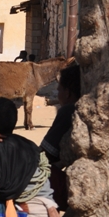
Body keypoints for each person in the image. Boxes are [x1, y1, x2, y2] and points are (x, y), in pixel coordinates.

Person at [40, 62, 80, 208]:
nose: (58, 94)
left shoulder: (68, 110)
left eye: (59, 90)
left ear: (68, 93)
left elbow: (45, 155)